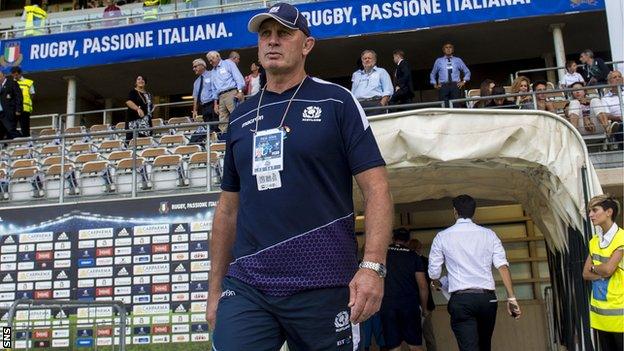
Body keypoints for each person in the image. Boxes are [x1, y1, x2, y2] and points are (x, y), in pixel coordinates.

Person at [207, 3, 393, 350]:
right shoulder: (241, 116)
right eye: (265, 34)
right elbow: (228, 209)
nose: (272, 41)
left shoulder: (337, 101)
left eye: (284, 33)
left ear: (306, 44)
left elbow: (377, 188)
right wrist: (215, 290)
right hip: (250, 284)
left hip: (323, 281)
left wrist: (373, 266)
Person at [429, 195, 521, 351]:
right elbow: (502, 266)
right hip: (487, 300)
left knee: (469, 348)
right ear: (473, 212)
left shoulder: (442, 237)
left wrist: (436, 281)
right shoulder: (489, 235)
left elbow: (434, 272)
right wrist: (511, 298)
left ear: (454, 212)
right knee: (485, 346)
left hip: (461, 300)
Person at [582, 194, 623, 351]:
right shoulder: (594, 241)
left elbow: (609, 269)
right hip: (600, 315)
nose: (590, 214)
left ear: (609, 212)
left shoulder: (621, 238)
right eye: (589, 211)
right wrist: (600, 270)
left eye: (594, 210)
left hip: (620, 314)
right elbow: (586, 274)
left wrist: (597, 268)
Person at [380, 228, 429, 351]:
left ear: (392, 238)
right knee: (415, 346)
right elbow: (423, 286)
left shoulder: (383, 255)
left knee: (394, 347)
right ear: (408, 241)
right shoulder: (414, 256)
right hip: (409, 306)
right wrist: (424, 308)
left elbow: (377, 279)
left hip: (388, 305)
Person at [408, 238, 437, 351]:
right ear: (419, 248)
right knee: (428, 334)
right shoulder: (426, 261)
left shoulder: (407, 262)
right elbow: (431, 280)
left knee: (414, 336)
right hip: (427, 302)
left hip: (411, 303)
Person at [206, 50, 245, 133]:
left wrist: (240, 91)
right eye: (209, 60)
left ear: (218, 56)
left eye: (212, 59)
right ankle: (225, 140)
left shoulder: (228, 63)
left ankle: (241, 135)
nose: (210, 62)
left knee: (237, 116)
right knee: (223, 122)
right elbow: (214, 89)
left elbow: (238, 77)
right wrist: (215, 104)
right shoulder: (212, 72)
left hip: (231, 93)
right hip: (220, 98)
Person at [351, 49, 393, 115]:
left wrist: (381, 105)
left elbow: (388, 91)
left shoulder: (381, 72)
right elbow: (352, 93)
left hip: (375, 104)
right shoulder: (356, 75)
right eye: (365, 58)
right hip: (358, 106)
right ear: (362, 61)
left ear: (375, 60)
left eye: (369, 58)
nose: (367, 60)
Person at [430, 42, 471, 107]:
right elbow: (432, 74)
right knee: (444, 106)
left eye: (450, 47)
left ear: (453, 50)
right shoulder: (439, 61)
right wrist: (434, 84)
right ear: (443, 50)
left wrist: (464, 81)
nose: (448, 49)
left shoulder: (458, 60)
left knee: (456, 105)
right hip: (443, 86)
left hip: (455, 85)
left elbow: (467, 71)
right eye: (446, 47)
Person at [191, 58, 218, 133]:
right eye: (193, 67)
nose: (194, 69)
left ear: (202, 66)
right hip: (204, 107)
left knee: (216, 125)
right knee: (208, 127)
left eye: (195, 66)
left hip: (213, 104)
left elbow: (216, 88)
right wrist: (195, 110)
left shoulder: (212, 74)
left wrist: (216, 104)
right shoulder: (196, 82)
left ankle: (219, 141)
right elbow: (195, 98)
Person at [125, 75, 153, 140]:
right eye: (139, 79)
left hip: (145, 120)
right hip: (133, 120)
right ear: (136, 82)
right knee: (131, 139)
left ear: (145, 82)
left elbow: (148, 105)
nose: (141, 81)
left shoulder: (148, 94)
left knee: (145, 139)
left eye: (143, 79)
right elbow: (129, 102)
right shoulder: (133, 92)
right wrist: (138, 109)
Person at [10, 67, 34, 138]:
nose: (15, 76)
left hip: (25, 109)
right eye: (13, 75)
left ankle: (26, 144)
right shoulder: (10, 83)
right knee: (10, 128)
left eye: (16, 75)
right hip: (13, 109)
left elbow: (32, 94)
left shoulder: (28, 82)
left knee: (25, 129)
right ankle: (19, 137)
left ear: (20, 74)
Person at [0, 70, 23, 140]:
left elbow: (18, 97)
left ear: (4, 75)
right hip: (0, 113)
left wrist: (18, 109)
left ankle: (23, 142)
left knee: (11, 129)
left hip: (9, 112)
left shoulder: (12, 83)